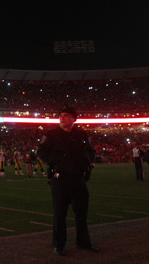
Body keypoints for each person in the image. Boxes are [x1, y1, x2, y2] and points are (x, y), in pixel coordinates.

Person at [38, 106, 99, 256]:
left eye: (66, 115)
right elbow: (41, 151)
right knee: (60, 213)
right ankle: (59, 245)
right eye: (61, 115)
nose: (62, 118)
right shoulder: (52, 134)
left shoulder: (81, 134)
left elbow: (91, 151)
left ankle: (83, 242)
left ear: (73, 118)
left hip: (78, 177)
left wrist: (88, 162)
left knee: (81, 213)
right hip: (61, 177)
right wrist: (57, 161)